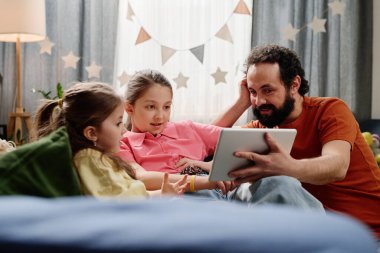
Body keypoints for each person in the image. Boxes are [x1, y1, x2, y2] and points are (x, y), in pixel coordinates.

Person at [213, 44, 380, 240]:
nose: (258, 101)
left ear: (294, 85)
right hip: (312, 226)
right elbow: (205, 140)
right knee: (236, 191)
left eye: (267, 90)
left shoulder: (330, 110)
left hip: (367, 234)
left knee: (276, 183)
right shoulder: (263, 126)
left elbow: (337, 165)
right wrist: (242, 102)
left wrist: (287, 167)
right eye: (253, 92)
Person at [118, 69, 324, 209]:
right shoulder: (122, 142)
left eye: (166, 106)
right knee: (208, 204)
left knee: (281, 183)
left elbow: (233, 140)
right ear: (129, 108)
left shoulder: (186, 128)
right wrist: (204, 182)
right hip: (189, 196)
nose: (160, 116)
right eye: (150, 107)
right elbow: (141, 177)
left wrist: (208, 168)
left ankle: (324, 237)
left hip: (225, 190)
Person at [33, 82, 189, 199]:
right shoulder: (87, 159)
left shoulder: (101, 159)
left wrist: (161, 193)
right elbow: (117, 200)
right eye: (118, 123)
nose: (124, 130)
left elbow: (126, 192)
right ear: (91, 133)